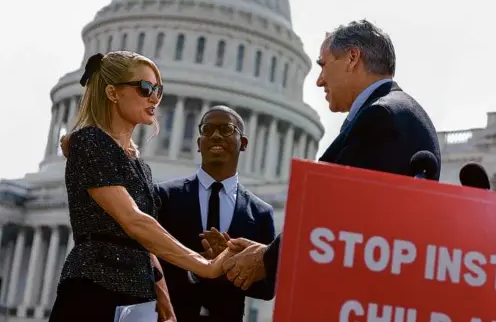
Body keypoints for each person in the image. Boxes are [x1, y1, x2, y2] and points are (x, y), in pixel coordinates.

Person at [222, 19, 442, 291]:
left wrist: (266, 259)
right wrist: (266, 254)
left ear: (352, 58)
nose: (319, 80)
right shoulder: (400, 113)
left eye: (324, 65)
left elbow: (336, 215)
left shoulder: (381, 118)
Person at [51, 51, 231, 321]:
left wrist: (164, 302)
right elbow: (134, 221)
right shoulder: (90, 143)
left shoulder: (138, 164)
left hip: (136, 296)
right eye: (145, 88)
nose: (155, 98)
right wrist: (204, 265)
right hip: (95, 286)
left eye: (158, 90)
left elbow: (144, 244)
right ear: (112, 93)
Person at [155, 105, 276, 322]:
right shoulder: (165, 197)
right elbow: (149, 262)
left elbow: (267, 290)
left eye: (226, 129)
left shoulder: (260, 212)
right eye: (207, 130)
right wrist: (197, 267)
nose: (216, 136)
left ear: (244, 143)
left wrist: (231, 266)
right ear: (199, 144)